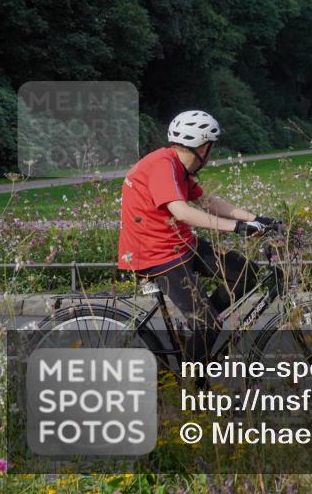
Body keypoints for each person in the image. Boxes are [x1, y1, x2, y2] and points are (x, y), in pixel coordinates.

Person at [117, 110, 280, 364]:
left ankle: (199, 335)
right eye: (211, 148)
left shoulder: (177, 167)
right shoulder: (162, 166)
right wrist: (235, 227)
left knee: (246, 274)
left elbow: (207, 201)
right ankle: (190, 385)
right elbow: (181, 212)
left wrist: (254, 218)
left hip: (181, 245)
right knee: (208, 326)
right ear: (203, 148)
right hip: (158, 255)